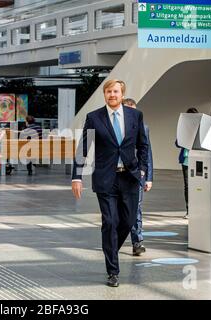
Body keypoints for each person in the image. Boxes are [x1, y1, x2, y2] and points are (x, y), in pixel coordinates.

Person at [71, 79, 148, 287]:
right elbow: (83, 147)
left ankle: (111, 249)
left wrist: (143, 171)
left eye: (115, 91)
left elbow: (143, 145)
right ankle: (112, 270)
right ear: (104, 94)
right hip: (106, 179)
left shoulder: (135, 115)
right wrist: (77, 176)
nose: (112, 95)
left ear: (122, 94)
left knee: (129, 220)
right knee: (110, 222)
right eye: (108, 92)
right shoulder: (94, 117)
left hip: (130, 177)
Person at [123, 98, 153, 256]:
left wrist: (148, 178)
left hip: (137, 176)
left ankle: (137, 242)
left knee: (136, 209)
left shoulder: (144, 128)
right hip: (118, 174)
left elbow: (147, 154)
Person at [176, 107, 199, 219]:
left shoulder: (200, 128)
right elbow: (177, 143)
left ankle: (198, 209)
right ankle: (189, 210)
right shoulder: (184, 129)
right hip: (186, 160)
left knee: (198, 186)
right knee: (188, 186)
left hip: (198, 160)